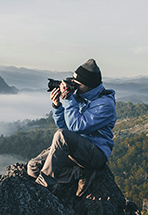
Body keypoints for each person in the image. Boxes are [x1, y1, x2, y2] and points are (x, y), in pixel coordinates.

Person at [27, 59, 117, 197]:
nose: (74, 87)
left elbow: (76, 127)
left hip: (95, 154)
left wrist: (69, 99)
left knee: (61, 135)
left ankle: (44, 186)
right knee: (33, 167)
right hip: (76, 150)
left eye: (77, 84)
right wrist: (57, 107)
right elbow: (66, 128)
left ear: (89, 85)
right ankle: (79, 174)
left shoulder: (104, 105)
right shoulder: (79, 96)